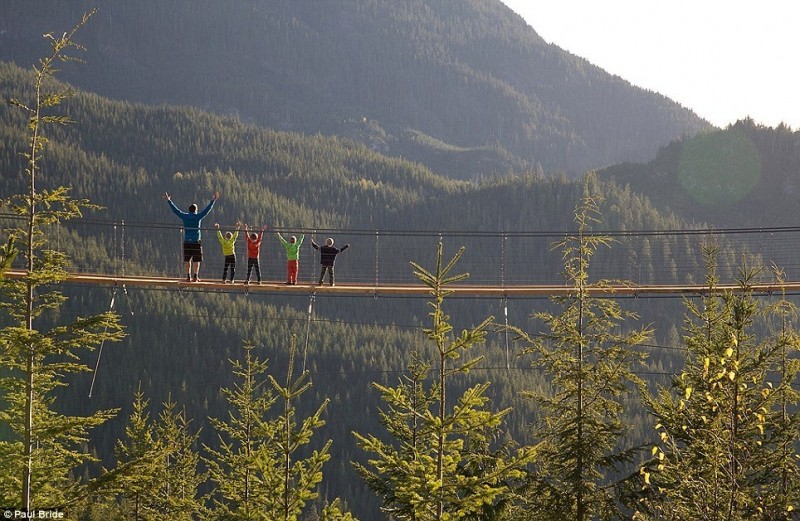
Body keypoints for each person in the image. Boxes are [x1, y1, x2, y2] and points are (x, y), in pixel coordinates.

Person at [163, 191, 218, 282]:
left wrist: (169, 201)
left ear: (189, 210)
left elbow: (175, 211)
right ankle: (195, 276)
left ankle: (188, 277)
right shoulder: (198, 217)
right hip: (196, 241)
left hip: (187, 241)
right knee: (196, 260)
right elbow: (206, 210)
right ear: (196, 210)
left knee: (187, 260)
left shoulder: (185, 216)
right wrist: (213, 200)